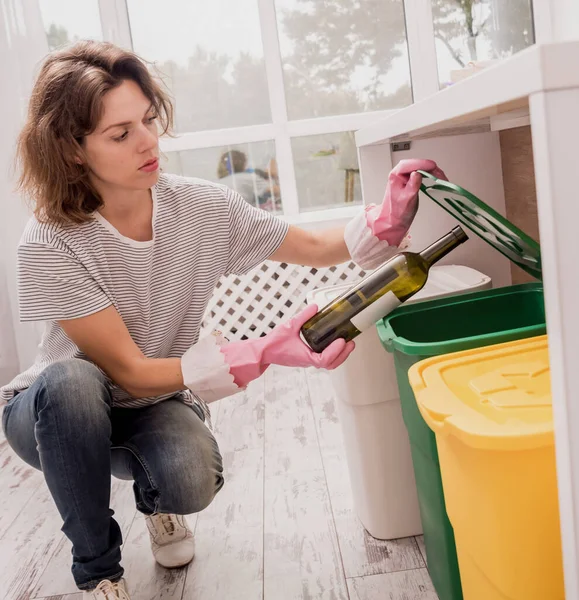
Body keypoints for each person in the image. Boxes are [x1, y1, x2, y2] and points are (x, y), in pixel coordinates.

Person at [0, 40, 445, 600]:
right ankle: (98, 573)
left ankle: (156, 503)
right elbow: (130, 371)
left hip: (150, 402)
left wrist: (384, 221)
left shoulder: (200, 207)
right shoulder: (49, 240)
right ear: (71, 151)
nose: (148, 141)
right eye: (120, 134)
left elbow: (307, 242)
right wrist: (263, 349)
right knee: (71, 381)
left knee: (192, 475)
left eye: (148, 119)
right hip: (50, 414)